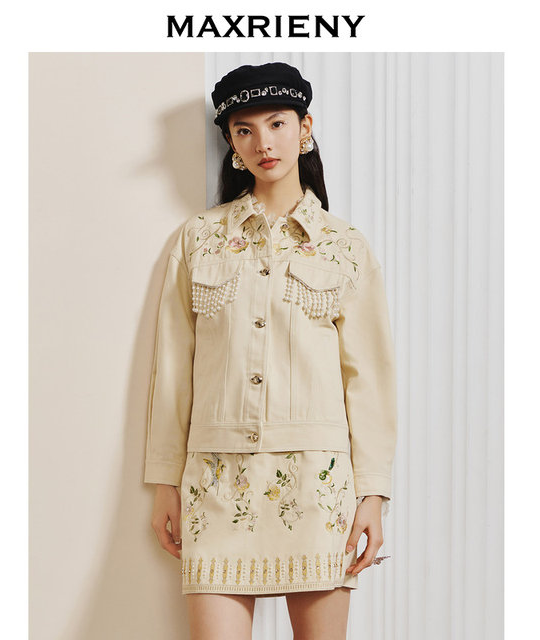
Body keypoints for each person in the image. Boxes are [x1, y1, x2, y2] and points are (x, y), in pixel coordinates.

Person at [145, 62, 397, 639]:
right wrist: (164, 480)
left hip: (318, 484)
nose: (264, 143)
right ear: (232, 143)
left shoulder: (344, 246)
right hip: (215, 480)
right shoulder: (199, 239)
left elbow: (370, 380)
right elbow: (173, 368)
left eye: (277, 123)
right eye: (245, 129)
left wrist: (373, 494)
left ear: (305, 128)